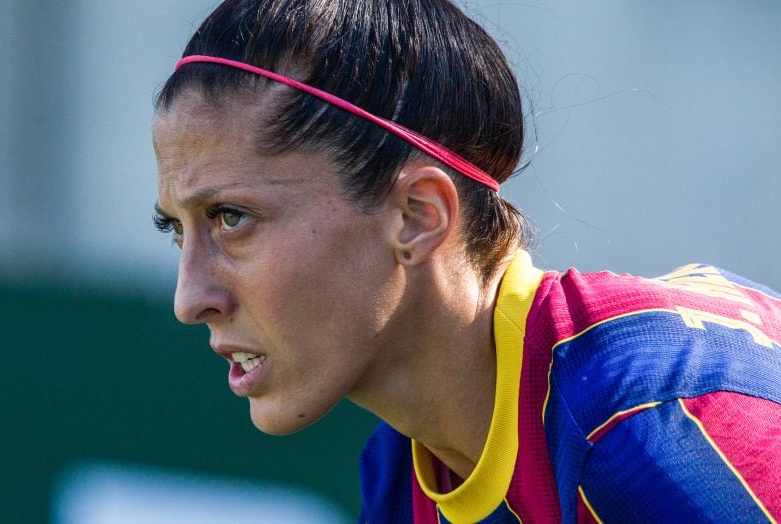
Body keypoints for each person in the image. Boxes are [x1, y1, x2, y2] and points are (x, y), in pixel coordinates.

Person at [150, 0, 781, 522]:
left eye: (231, 217)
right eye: (177, 231)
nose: (190, 299)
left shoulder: (648, 431)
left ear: (418, 215)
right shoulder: (400, 475)